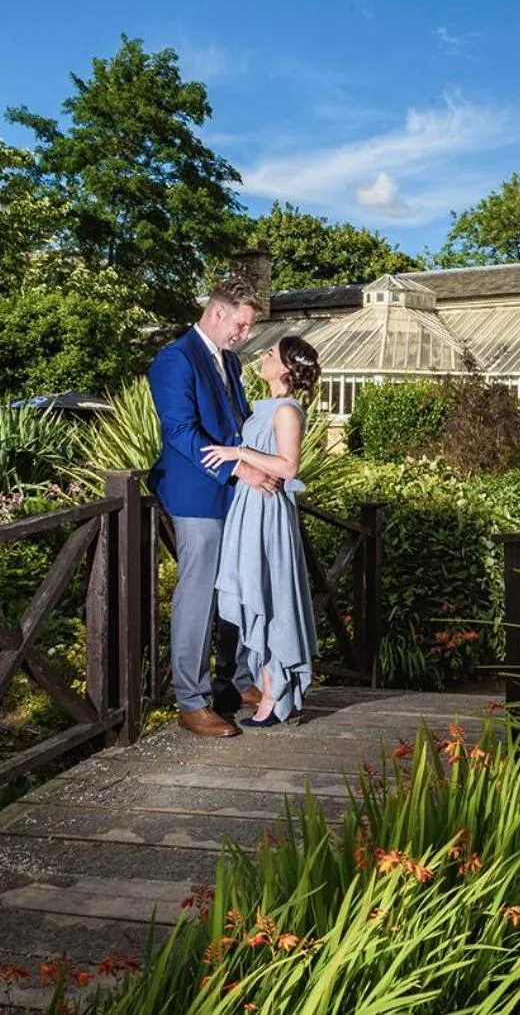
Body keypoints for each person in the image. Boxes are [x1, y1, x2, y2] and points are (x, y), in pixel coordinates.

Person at [147, 276, 278, 739]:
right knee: (198, 597)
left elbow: (238, 426)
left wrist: (267, 462)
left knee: (237, 590)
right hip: (195, 495)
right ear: (218, 312)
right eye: (241, 325)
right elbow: (181, 434)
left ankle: (237, 682)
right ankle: (191, 700)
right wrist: (239, 472)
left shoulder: (229, 361)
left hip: (232, 493)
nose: (244, 334)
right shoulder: (174, 360)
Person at [202, 336, 321, 727]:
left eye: (271, 354)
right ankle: (269, 689)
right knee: (257, 594)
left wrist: (238, 453)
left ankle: (274, 697)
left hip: (269, 513)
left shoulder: (286, 410)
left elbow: (289, 467)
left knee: (269, 597)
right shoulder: (264, 407)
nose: (264, 357)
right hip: (250, 509)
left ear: (286, 368)